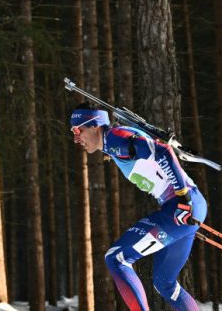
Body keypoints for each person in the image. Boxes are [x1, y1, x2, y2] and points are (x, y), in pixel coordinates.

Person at [70, 103, 207, 311]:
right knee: (165, 283)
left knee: (116, 258)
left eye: (77, 130)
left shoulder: (115, 139)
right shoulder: (112, 143)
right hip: (187, 208)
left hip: (182, 207)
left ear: (95, 125)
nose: (76, 138)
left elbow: (163, 151)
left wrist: (183, 200)